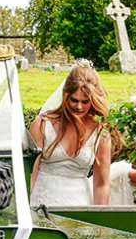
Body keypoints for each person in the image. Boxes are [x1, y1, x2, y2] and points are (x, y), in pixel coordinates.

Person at [29, 65, 115, 207]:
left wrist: (101, 224)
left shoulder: (101, 132)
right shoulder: (42, 124)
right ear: (65, 95)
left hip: (80, 203)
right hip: (42, 202)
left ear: (93, 100)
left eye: (85, 102)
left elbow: (101, 184)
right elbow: (31, 174)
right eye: (74, 100)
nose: (79, 107)